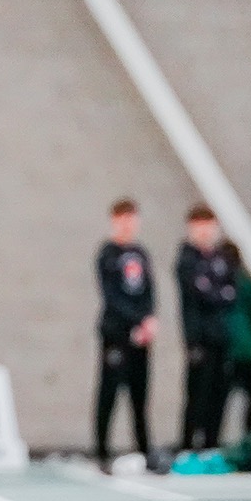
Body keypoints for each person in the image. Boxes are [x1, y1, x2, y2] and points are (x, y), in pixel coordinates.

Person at [93, 199, 156, 473]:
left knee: (140, 395)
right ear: (114, 221)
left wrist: (149, 320)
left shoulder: (141, 253)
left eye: (132, 219)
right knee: (109, 392)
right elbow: (112, 297)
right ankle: (102, 451)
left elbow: (149, 290)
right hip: (115, 334)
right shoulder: (107, 254)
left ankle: (145, 449)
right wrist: (134, 321)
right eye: (123, 219)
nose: (128, 224)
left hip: (141, 337)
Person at [175, 205, 236, 458]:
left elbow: (232, 293)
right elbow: (202, 293)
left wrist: (215, 292)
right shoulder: (187, 259)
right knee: (197, 395)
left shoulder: (222, 257)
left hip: (222, 336)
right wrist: (216, 292)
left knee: (219, 393)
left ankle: (212, 445)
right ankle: (189, 446)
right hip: (199, 339)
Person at [224, 242, 251, 440]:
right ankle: (248, 435)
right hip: (242, 347)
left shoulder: (224, 280)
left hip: (226, 347)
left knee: (219, 398)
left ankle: (214, 439)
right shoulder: (245, 281)